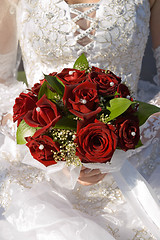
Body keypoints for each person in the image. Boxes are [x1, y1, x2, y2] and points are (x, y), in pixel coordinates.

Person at [0, 0, 160, 239]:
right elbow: (2, 83)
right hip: (35, 168)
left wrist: (129, 137)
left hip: (137, 155)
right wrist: (47, 146)